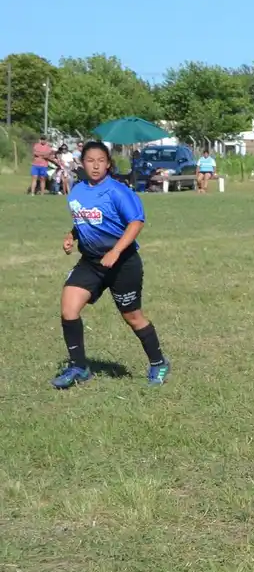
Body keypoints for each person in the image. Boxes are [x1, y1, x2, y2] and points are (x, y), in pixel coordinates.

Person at [52, 141, 171, 389]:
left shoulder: (117, 191)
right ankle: (79, 367)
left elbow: (136, 222)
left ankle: (158, 363)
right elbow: (85, 220)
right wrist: (70, 236)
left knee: (133, 318)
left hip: (123, 263)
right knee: (68, 310)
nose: (95, 166)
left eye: (101, 161)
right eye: (90, 161)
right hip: (91, 262)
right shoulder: (77, 190)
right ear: (82, 163)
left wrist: (116, 251)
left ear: (108, 164)